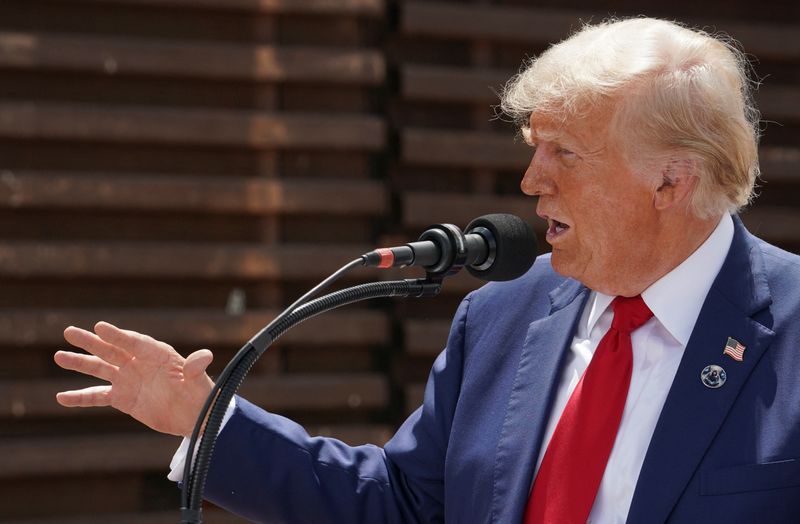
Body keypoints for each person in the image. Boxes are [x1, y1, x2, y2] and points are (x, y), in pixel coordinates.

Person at [54, 17, 800, 524]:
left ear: (671, 182)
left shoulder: (789, 329)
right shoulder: (503, 312)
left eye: (565, 154)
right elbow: (403, 504)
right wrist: (207, 421)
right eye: (533, 148)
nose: (531, 182)